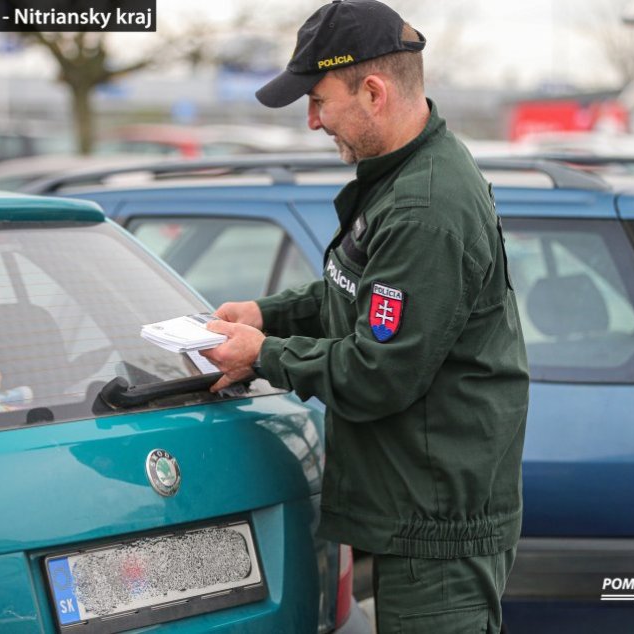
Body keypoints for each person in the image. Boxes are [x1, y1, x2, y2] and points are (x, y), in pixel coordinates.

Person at [200, 1, 529, 630]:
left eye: (319, 101)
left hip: (438, 527)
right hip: (417, 505)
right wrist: (265, 316)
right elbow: (358, 296)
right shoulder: (402, 177)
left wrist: (261, 354)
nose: (313, 121)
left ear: (373, 92)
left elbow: (378, 371)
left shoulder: (425, 207)